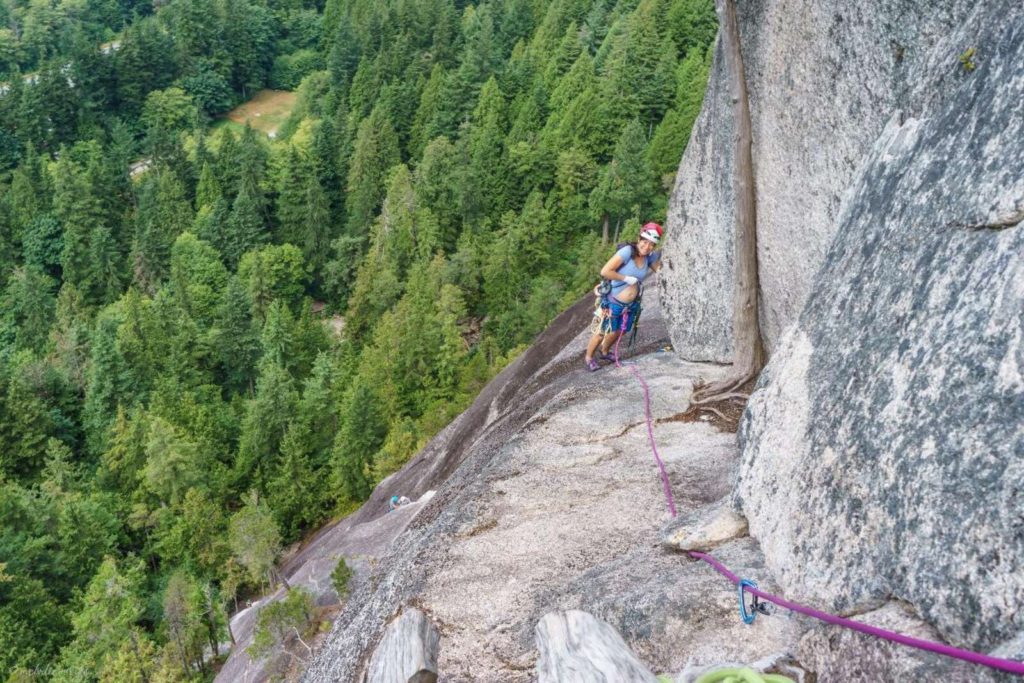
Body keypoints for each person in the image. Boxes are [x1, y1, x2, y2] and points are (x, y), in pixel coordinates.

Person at [584, 222, 664, 371]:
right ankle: (589, 358)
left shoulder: (649, 257)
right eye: (645, 242)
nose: (647, 247)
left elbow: (660, 270)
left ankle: (604, 352)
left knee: (621, 329)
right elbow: (605, 271)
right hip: (612, 301)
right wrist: (626, 278)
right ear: (639, 239)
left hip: (630, 304)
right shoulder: (627, 251)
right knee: (602, 331)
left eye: (651, 244)